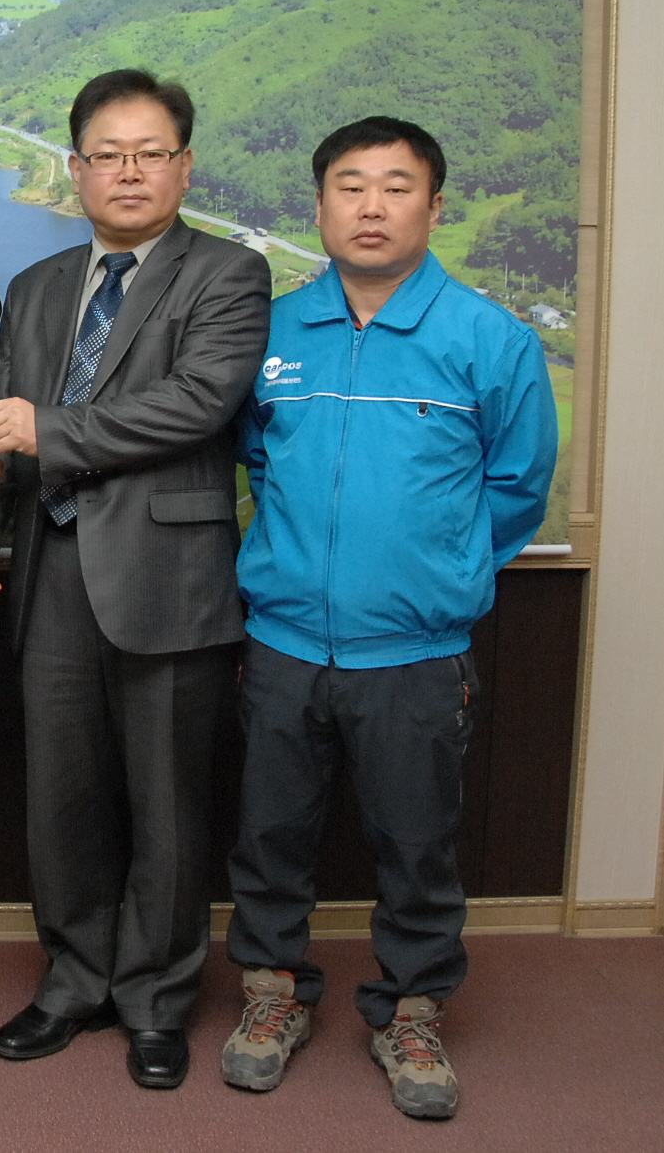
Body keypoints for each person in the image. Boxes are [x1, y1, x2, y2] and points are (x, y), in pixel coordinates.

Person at [219, 116, 557, 1119]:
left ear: (433, 207)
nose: (371, 207)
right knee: (268, 836)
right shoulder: (273, 331)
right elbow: (254, 460)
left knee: (417, 846)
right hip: (280, 643)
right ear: (320, 205)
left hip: (415, 653)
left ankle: (409, 1012)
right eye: (350, 186)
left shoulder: (491, 342)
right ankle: (272, 995)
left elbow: (516, 489)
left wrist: (437, 574)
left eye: (396, 187)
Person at [0, 68, 270, 1089]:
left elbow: (197, 403)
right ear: (75, 168)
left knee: (167, 806)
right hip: (47, 572)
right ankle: (72, 981)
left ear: (184, 166)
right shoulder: (36, 286)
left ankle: (155, 1000)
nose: (128, 172)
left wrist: (46, 431)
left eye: (150, 154)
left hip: (167, 577)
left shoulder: (228, 274)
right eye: (107, 154)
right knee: (61, 799)